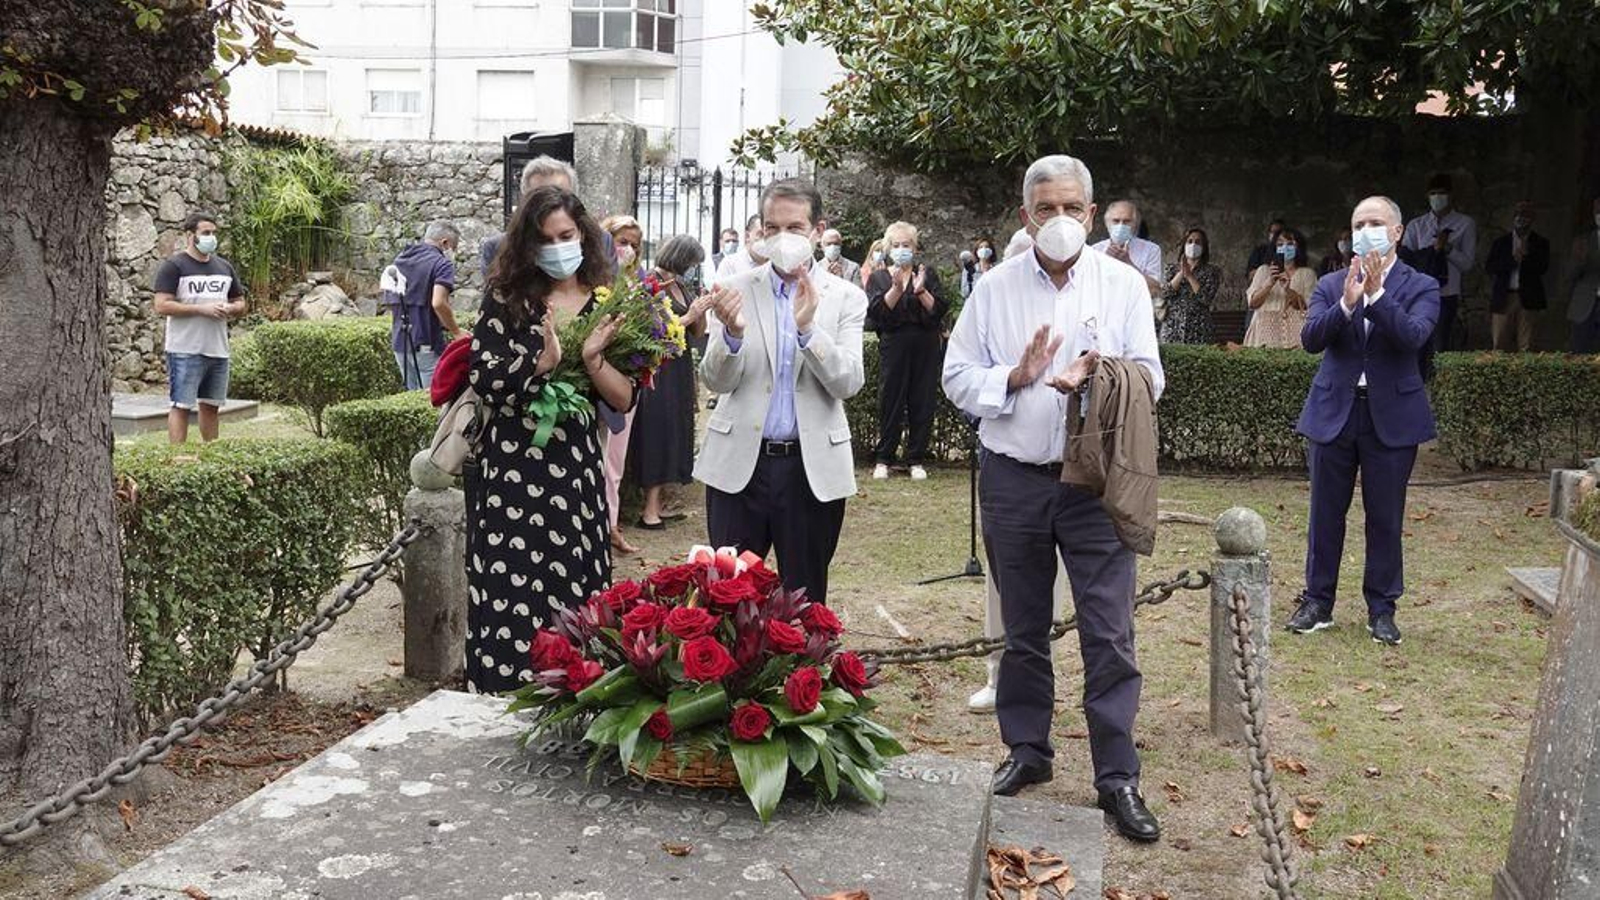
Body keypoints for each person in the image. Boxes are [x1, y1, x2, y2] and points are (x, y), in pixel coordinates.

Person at [943, 154, 1164, 842]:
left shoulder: (1122, 286)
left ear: (1092, 216)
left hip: (1095, 481)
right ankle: (1028, 751)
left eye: (1074, 208)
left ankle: (1117, 775)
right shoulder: (994, 288)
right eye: (1047, 209)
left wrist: (1097, 376)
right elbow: (955, 376)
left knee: (1108, 629)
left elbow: (1151, 378)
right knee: (1023, 627)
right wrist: (1016, 376)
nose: (1061, 221)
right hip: (1014, 477)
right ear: (1025, 216)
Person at [464, 186, 635, 693]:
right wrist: (539, 365)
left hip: (576, 464)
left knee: (574, 582)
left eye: (567, 235)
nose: (559, 246)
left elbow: (624, 398)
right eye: (546, 240)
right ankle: (504, 690)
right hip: (514, 465)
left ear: (583, 233)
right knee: (509, 576)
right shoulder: (508, 297)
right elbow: (484, 376)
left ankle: (575, 688)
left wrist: (591, 360)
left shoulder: (609, 301)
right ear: (528, 245)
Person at [697, 178, 867, 603]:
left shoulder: (844, 296)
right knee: (729, 596)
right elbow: (715, 380)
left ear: (816, 229)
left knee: (805, 599)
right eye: (771, 228)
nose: (781, 238)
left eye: (793, 227)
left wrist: (807, 330)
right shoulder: (735, 288)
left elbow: (848, 382)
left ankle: (803, 672)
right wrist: (732, 337)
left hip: (810, 469)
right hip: (740, 465)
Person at [1288, 196, 1439, 648]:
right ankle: (1318, 602)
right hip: (1334, 411)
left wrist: (1375, 295)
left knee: (1385, 516)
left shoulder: (1422, 285)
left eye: (1375, 222)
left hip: (1391, 416)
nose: (1365, 230)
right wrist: (1348, 305)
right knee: (1324, 515)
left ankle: (1382, 608)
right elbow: (1311, 339)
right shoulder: (1332, 282)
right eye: (1358, 223)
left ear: (1396, 232)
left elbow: (1413, 336)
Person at [631, 235, 713, 529]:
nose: (694, 268)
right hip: (658, 370)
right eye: (692, 262)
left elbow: (696, 331)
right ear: (680, 258)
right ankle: (648, 512)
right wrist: (691, 313)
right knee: (657, 434)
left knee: (676, 431)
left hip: (678, 369)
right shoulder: (651, 284)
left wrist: (701, 310)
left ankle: (663, 502)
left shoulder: (681, 286)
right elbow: (653, 332)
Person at [153, 211, 247, 444]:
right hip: (185, 349)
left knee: (211, 406)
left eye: (214, 233)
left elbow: (241, 302)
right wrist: (201, 309)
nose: (211, 238)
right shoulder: (174, 266)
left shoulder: (224, 267)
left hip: (218, 349)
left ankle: (211, 455)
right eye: (206, 233)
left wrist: (231, 309)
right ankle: (178, 457)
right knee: (181, 405)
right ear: (190, 236)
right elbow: (161, 305)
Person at [867, 221, 949, 481]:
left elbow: (938, 310)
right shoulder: (880, 276)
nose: (902, 249)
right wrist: (896, 288)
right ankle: (884, 458)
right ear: (889, 248)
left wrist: (920, 290)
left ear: (915, 247)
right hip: (895, 343)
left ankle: (916, 459)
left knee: (922, 398)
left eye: (907, 245)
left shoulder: (927, 273)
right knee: (891, 398)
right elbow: (877, 313)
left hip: (925, 342)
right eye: (897, 245)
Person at [597, 215, 648, 554]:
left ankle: (610, 525)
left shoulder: (637, 281)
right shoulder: (594, 279)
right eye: (621, 241)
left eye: (634, 244)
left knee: (615, 460)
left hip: (626, 380)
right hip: (597, 378)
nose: (627, 249)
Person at [381, 220, 463, 390]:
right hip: (426, 343)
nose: (452, 253)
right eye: (453, 248)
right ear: (445, 243)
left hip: (400, 343)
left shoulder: (400, 259)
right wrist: (456, 331)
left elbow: (391, 301)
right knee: (431, 401)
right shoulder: (442, 263)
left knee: (412, 402)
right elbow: (439, 302)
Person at [1402, 173, 1477, 350]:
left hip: (1447, 294)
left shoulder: (1465, 223)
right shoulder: (1417, 225)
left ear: (1451, 196)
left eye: (1442, 193)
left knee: (1440, 346)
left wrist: (1448, 249)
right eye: (1433, 193)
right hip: (1419, 293)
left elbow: (1467, 264)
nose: (1437, 197)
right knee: (1417, 345)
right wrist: (1429, 253)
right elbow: (1404, 258)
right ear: (1427, 196)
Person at [480, 156, 583, 279]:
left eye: (560, 195)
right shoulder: (498, 248)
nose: (551, 204)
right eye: (539, 198)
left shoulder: (602, 243)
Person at [1484, 201, 1550, 352]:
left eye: (1526, 214)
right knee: (1500, 344)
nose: (1521, 218)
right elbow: (1491, 267)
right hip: (1504, 297)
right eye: (1518, 214)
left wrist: (1526, 258)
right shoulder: (1501, 242)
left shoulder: (1540, 243)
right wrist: (1513, 260)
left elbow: (1543, 268)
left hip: (1529, 299)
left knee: (1527, 346)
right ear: (1513, 216)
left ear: (1533, 218)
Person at [1243, 227, 1315, 348]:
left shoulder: (1307, 273)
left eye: (1290, 244)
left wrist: (1288, 290)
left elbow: (1307, 306)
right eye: (1280, 244)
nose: (1285, 247)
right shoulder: (1263, 271)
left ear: (1298, 248)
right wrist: (1269, 283)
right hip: (1264, 331)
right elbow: (1253, 303)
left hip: (1295, 332)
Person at [1158, 227, 1220, 345]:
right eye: (1190, 241)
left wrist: (1190, 276)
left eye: (1198, 242)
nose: (1193, 245)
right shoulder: (1171, 269)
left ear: (1204, 246)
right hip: (1173, 326)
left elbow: (1206, 298)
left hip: (1199, 328)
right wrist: (1182, 273)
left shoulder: (1212, 271)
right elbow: (1165, 293)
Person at [1091, 200, 1162, 298]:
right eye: (1116, 221)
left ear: (1135, 224)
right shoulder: (1095, 250)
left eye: (1126, 221)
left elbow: (1155, 290)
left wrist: (1128, 263)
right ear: (1107, 223)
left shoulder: (1151, 250)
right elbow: (1088, 287)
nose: (1121, 225)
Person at [1565, 196, 1600, 353]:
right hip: (1585, 305)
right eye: (1597, 210)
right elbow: (1569, 275)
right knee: (1580, 353)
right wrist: (1579, 261)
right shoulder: (1583, 240)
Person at [713, 214, 767, 285]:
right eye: (761, 234)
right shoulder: (730, 265)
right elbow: (718, 293)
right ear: (747, 236)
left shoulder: (779, 267)